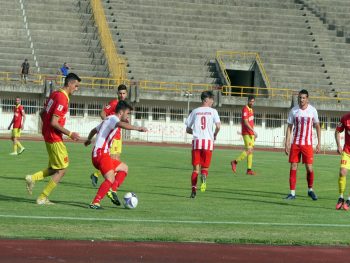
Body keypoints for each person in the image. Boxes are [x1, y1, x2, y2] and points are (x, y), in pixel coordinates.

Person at [25, 73, 81, 205]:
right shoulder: (62, 98)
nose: (77, 89)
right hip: (54, 137)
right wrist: (70, 133)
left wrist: (45, 130)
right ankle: (42, 197)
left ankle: (32, 178)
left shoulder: (55, 94)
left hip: (48, 136)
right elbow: (54, 122)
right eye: (76, 86)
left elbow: (42, 113)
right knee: (62, 170)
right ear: (70, 84)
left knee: (55, 168)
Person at [84, 100, 147, 209]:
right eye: (127, 113)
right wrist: (138, 128)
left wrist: (88, 140)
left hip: (100, 154)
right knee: (110, 178)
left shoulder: (108, 119)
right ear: (121, 112)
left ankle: (112, 190)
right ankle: (95, 202)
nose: (128, 116)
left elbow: (93, 130)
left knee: (124, 168)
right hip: (101, 154)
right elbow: (120, 124)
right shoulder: (114, 119)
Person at [90, 84, 128, 191]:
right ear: (117, 94)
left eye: (124, 93)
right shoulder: (114, 103)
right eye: (120, 93)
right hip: (112, 137)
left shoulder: (124, 105)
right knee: (112, 160)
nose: (122, 95)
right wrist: (106, 123)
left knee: (116, 160)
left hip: (118, 136)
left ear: (127, 94)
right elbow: (102, 112)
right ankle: (109, 183)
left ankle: (102, 178)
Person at [284, 89, 321, 200]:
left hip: (307, 144)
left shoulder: (312, 110)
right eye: (300, 98)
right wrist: (287, 143)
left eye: (304, 98)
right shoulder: (294, 111)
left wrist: (319, 143)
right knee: (293, 166)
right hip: (295, 143)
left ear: (307, 99)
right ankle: (292, 193)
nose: (301, 100)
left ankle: (310, 190)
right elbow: (289, 127)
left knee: (309, 168)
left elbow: (318, 126)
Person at [185, 90, 221, 198]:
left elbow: (187, 129)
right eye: (211, 99)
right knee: (204, 168)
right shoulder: (213, 111)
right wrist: (214, 134)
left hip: (197, 142)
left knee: (195, 169)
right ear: (206, 99)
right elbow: (218, 126)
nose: (213, 101)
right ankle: (204, 176)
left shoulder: (195, 111)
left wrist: (195, 132)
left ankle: (193, 190)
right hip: (208, 143)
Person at [230, 95, 257, 175]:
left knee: (250, 152)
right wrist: (253, 131)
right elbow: (245, 122)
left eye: (253, 101)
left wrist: (253, 133)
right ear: (248, 100)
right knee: (249, 150)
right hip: (246, 133)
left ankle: (249, 170)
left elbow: (251, 122)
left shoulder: (251, 110)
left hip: (251, 133)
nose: (252, 103)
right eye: (250, 101)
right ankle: (235, 162)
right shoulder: (245, 109)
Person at [335, 113, 350, 210]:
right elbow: (337, 131)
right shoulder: (345, 118)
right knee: (342, 172)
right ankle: (341, 197)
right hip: (347, 151)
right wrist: (338, 145)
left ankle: (349, 200)